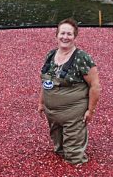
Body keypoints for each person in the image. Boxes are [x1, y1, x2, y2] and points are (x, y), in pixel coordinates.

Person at [37, 18, 101, 165]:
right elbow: (45, 82)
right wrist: (41, 102)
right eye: (62, 33)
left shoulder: (82, 58)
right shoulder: (50, 56)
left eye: (69, 34)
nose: (65, 37)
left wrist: (90, 111)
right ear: (56, 35)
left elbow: (95, 86)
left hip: (73, 113)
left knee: (74, 156)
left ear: (75, 36)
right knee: (59, 149)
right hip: (52, 114)